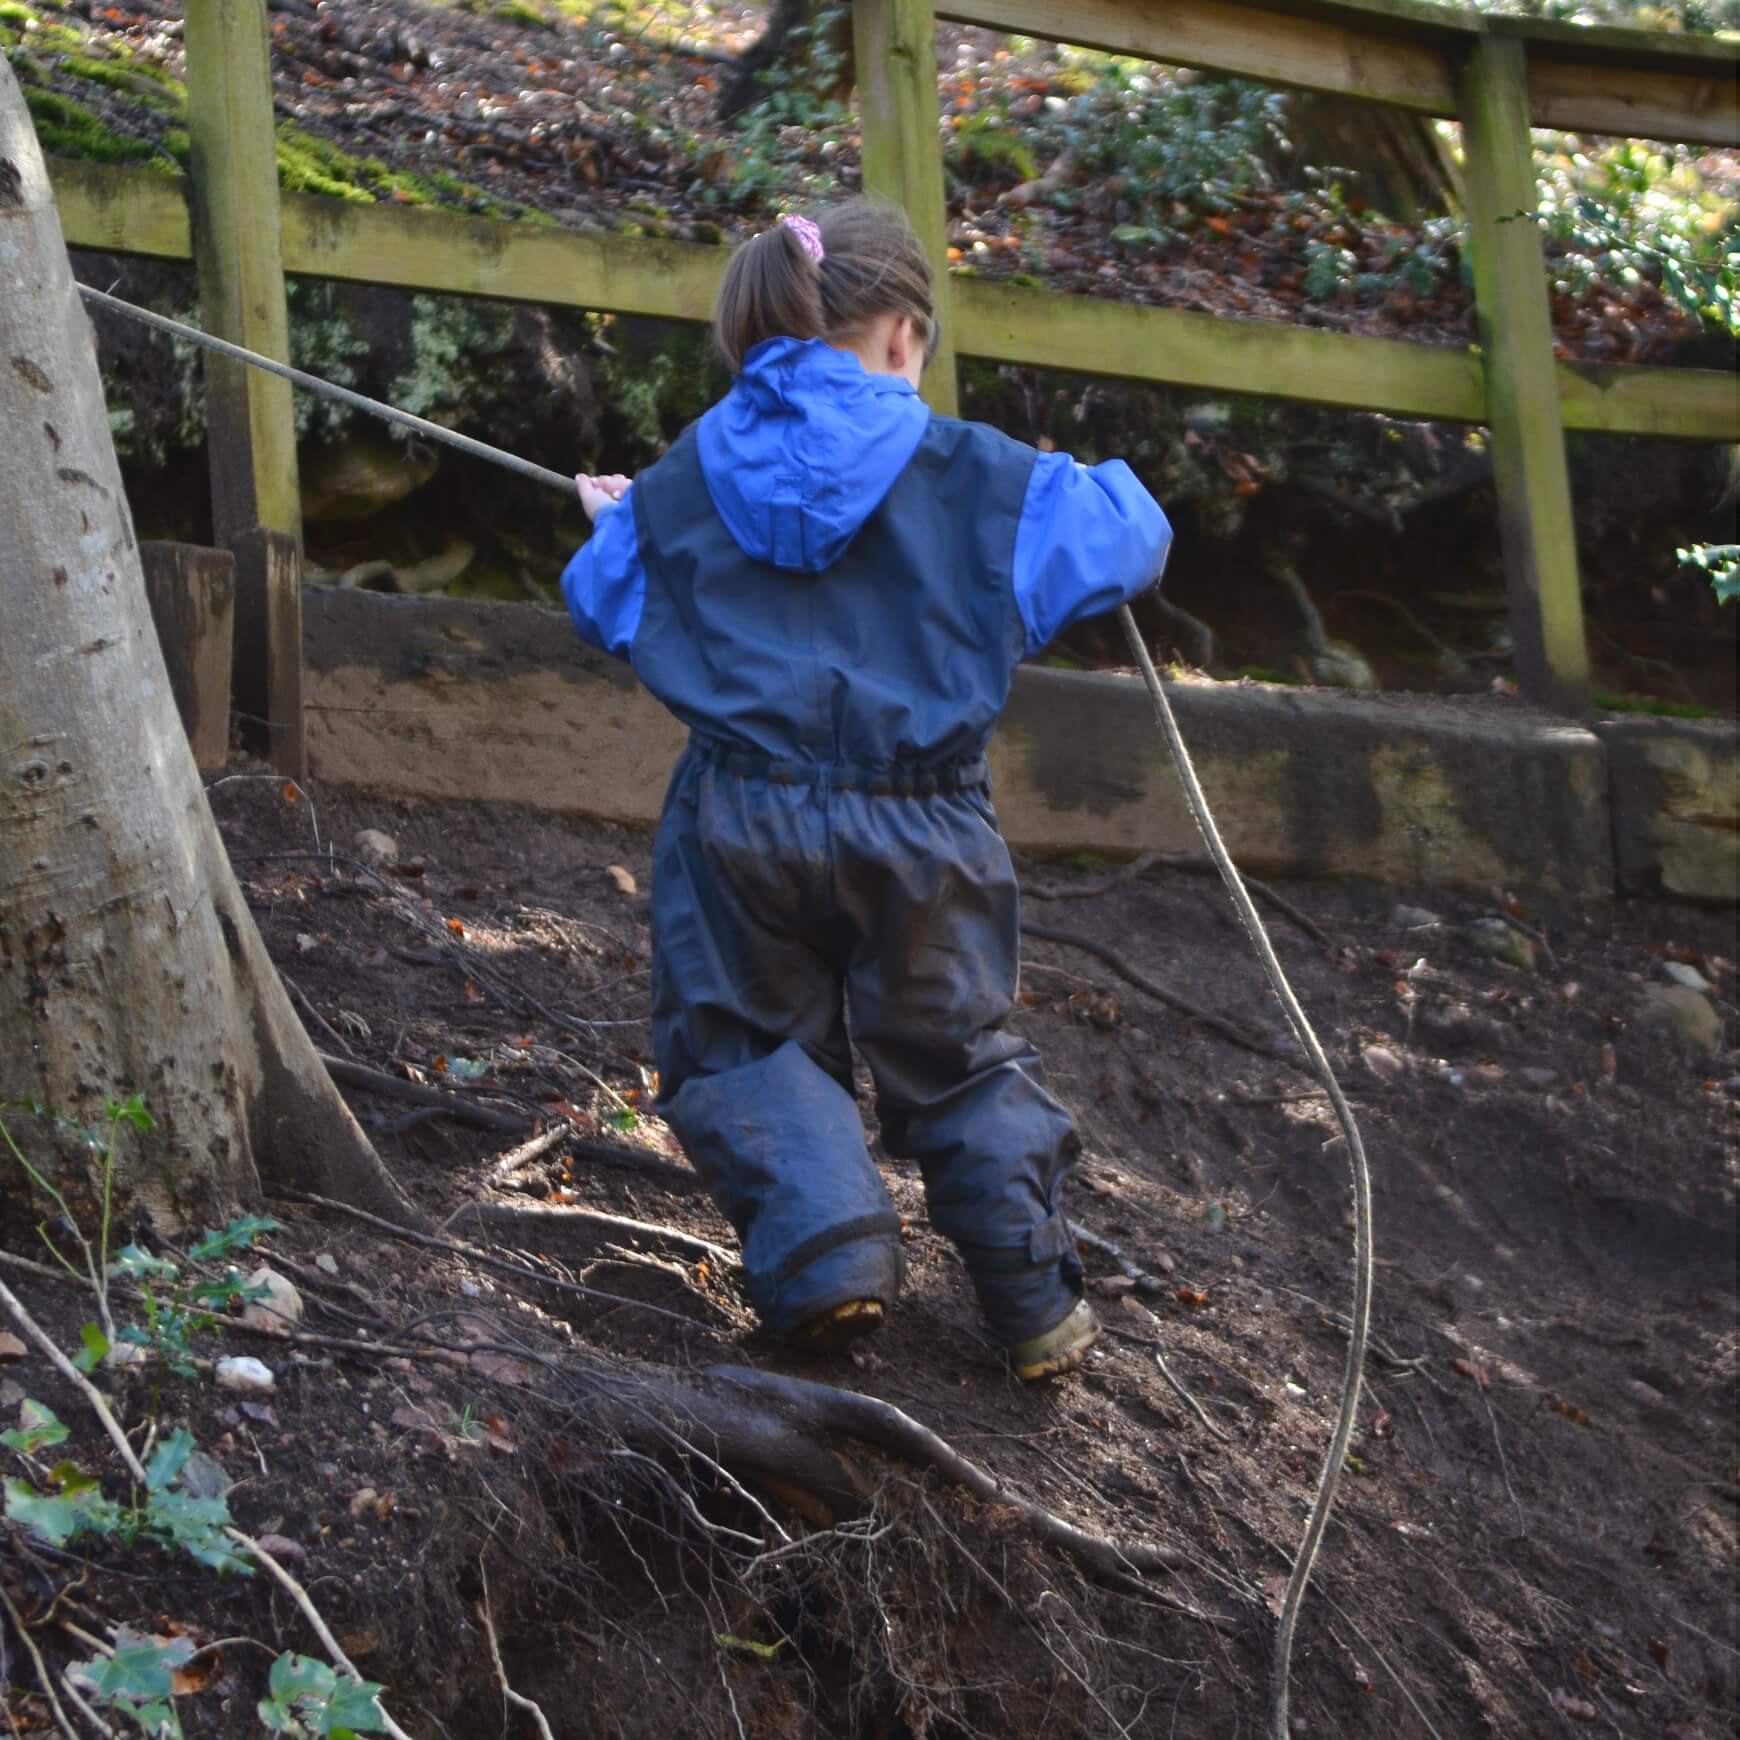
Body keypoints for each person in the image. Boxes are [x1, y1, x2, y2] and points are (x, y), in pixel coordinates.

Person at [562, 200, 1170, 1381]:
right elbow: (1128, 533)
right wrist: (1060, 477)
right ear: (902, 335)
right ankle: (1034, 1301)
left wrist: (620, 522)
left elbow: (609, 600)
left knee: (738, 1041)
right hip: (927, 822)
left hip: (738, 816)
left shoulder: (684, 482)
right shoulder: (987, 480)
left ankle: (828, 1258)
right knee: (956, 1055)